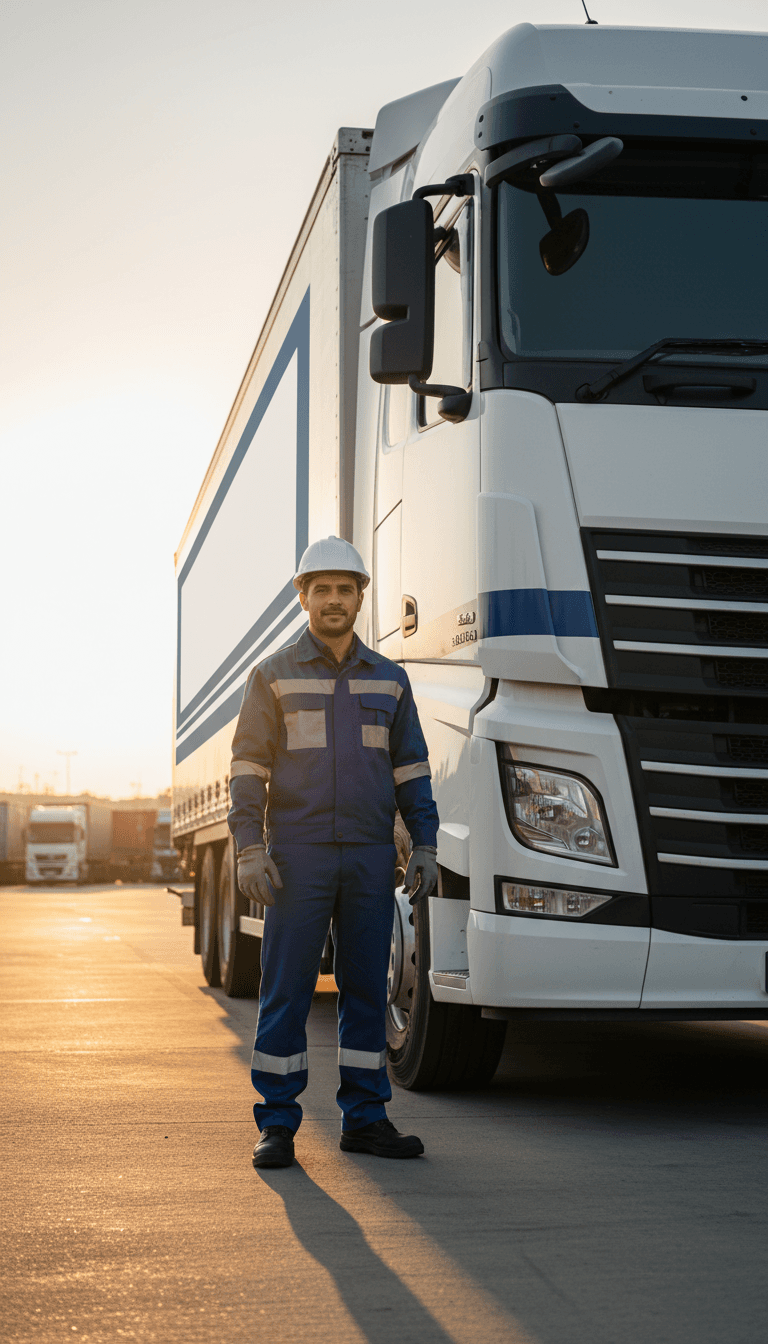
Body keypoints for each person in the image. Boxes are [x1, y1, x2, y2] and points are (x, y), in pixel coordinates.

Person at [228, 535, 439, 1169]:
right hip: (298, 855)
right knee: (287, 988)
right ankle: (278, 1125)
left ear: (360, 598)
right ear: (303, 597)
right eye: (321, 589)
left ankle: (366, 1118)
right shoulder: (272, 675)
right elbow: (247, 770)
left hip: (372, 857)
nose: (334, 600)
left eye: (345, 590)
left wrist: (425, 842)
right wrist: (247, 848)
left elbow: (413, 771)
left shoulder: (390, 681)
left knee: (366, 991)